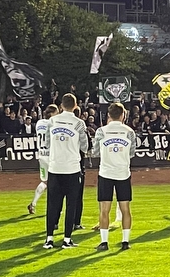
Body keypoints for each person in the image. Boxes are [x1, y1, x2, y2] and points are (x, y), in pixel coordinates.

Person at [43, 94, 88, 249]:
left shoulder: (52, 121)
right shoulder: (79, 123)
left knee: (52, 205)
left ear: (61, 105)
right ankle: (66, 239)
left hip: (55, 168)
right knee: (71, 205)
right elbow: (85, 146)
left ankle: (49, 239)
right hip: (72, 169)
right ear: (75, 106)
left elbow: (47, 144)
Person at [92, 103, 136, 251]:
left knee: (104, 209)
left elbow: (95, 152)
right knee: (125, 209)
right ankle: (125, 242)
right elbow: (132, 152)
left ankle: (104, 242)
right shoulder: (129, 132)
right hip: (123, 173)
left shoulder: (101, 131)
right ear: (123, 115)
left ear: (109, 116)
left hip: (106, 173)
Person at [29, 105, 58, 215]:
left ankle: (33, 203)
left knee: (45, 181)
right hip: (51, 156)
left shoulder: (39, 123)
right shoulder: (52, 124)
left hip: (41, 154)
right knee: (55, 182)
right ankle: (52, 207)